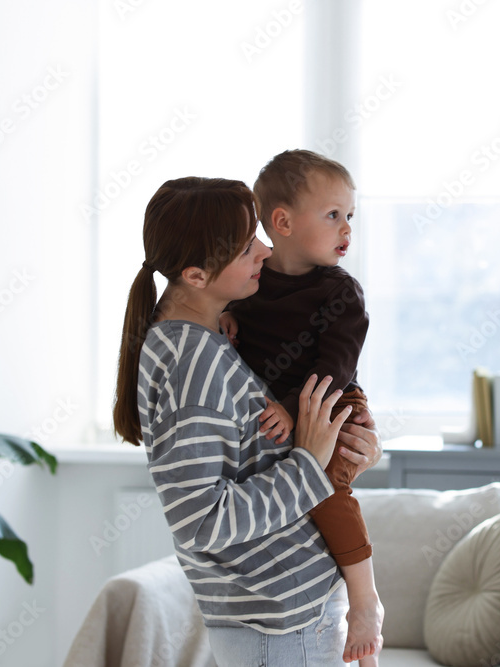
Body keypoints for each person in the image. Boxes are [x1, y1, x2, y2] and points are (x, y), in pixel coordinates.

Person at [112, 176, 383, 666]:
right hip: (280, 625)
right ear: (196, 276)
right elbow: (201, 521)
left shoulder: (210, 338)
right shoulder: (192, 362)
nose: (265, 250)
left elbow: (257, 455)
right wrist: (310, 462)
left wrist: (348, 448)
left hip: (287, 617)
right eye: (245, 248)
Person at [218, 150, 382, 666]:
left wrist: (294, 410)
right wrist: (224, 316)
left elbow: (336, 367)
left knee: (325, 486)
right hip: (282, 408)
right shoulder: (252, 281)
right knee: (282, 486)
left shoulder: (341, 292)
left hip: (331, 399)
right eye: (333, 214)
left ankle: (364, 600)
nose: (347, 228)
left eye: (350, 215)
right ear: (283, 222)